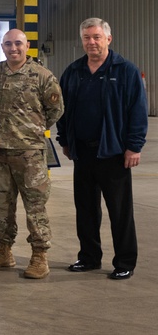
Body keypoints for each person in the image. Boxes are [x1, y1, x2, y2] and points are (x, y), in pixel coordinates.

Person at [57, 18, 145, 280]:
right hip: (82, 152)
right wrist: (65, 141)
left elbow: (137, 111)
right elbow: (63, 110)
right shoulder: (73, 71)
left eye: (96, 37)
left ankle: (125, 261)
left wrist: (134, 146)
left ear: (108, 39)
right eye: (87, 37)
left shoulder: (125, 70)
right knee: (85, 209)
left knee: (120, 211)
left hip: (114, 152)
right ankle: (89, 257)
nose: (91, 42)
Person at [0, 29, 63, 279]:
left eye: (18, 43)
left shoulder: (42, 76)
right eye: (8, 44)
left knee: (35, 207)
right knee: (1, 206)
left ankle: (39, 256)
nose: (13, 48)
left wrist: (33, 130)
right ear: (2, 46)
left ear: (27, 45)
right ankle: (4, 251)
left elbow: (55, 109)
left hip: (29, 154)